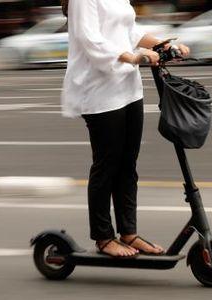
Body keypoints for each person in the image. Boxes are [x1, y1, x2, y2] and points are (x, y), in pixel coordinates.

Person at [60, 0, 190, 257]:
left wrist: (164, 45)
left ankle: (128, 232)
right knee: (107, 164)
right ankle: (103, 237)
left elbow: (128, 31)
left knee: (128, 164)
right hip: (99, 91)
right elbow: (90, 39)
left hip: (128, 88)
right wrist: (131, 56)